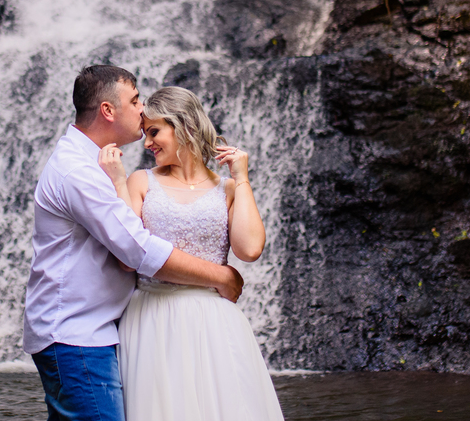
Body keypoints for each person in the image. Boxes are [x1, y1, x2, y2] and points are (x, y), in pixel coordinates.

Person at [23, 65, 245, 421]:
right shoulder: (77, 171)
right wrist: (220, 276)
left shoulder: (88, 162)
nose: (143, 110)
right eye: (136, 100)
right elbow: (137, 249)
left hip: (94, 332)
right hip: (75, 335)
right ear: (108, 111)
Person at [98, 85, 285, 421]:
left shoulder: (227, 188)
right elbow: (127, 254)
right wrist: (117, 182)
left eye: (154, 131)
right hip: (151, 317)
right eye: (145, 133)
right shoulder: (140, 181)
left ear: (183, 125)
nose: (147, 143)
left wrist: (241, 178)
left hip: (213, 323)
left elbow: (250, 248)